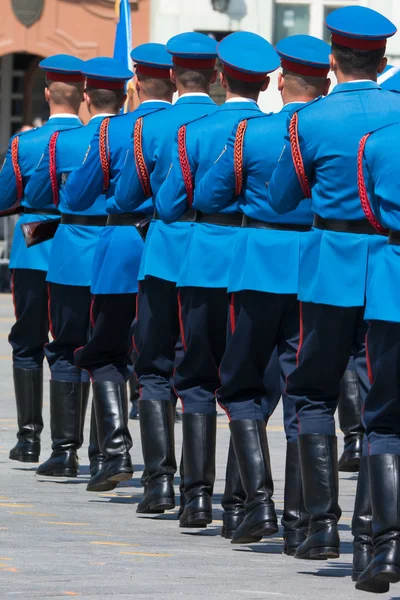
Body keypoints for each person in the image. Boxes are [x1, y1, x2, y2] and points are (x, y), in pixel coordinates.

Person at [266, 5, 400, 565]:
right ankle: (380, 538)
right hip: (390, 267)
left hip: (330, 269)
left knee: (311, 392)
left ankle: (319, 527)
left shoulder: (309, 120)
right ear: (383, 59)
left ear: (332, 59)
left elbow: (281, 197)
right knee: (384, 406)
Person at [192, 34, 330, 549]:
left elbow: (208, 195)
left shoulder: (253, 132)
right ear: (326, 81)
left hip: (255, 266)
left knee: (241, 386)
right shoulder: (329, 130)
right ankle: (306, 524)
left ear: (279, 80)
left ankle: (261, 503)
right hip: (312, 270)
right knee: (305, 392)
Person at [156, 30, 279, 535]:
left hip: (203, 260)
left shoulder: (197, 131)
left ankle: (196, 500)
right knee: (248, 382)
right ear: (268, 81)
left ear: (222, 78)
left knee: (195, 377)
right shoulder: (276, 132)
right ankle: (238, 503)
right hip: (255, 266)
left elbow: (166, 205)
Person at [114, 32, 218, 516]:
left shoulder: (150, 126)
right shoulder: (224, 122)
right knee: (199, 370)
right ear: (216, 76)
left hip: (162, 253)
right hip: (213, 260)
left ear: (173, 75)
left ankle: (159, 483)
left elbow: (128, 195)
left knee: (153, 366)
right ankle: (199, 496)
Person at [65, 43, 175, 493]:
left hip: (123, 247)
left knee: (106, 351)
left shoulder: (115, 131)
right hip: (172, 250)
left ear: (136, 84)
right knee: (164, 360)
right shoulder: (197, 124)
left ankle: (114, 454)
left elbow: (77, 195)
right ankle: (164, 477)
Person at [25, 57, 133, 481]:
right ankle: (105, 454)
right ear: (124, 97)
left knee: (67, 347)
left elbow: (38, 193)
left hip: (72, 257)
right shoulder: (133, 135)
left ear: (87, 97)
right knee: (112, 352)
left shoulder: (63, 142)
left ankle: (64, 451)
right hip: (121, 256)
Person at [0, 54, 84, 464]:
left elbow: (4, 198)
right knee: (73, 343)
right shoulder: (93, 141)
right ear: (83, 96)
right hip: (78, 248)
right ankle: (68, 448)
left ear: (47, 93)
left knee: (27, 341)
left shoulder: (23, 143)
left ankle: (28, 438)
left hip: (33, 251)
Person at [354, 121, 400, 592]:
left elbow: (372, 213)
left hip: (394, 286)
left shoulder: (378, 141)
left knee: (385, 420)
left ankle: (388, 546)